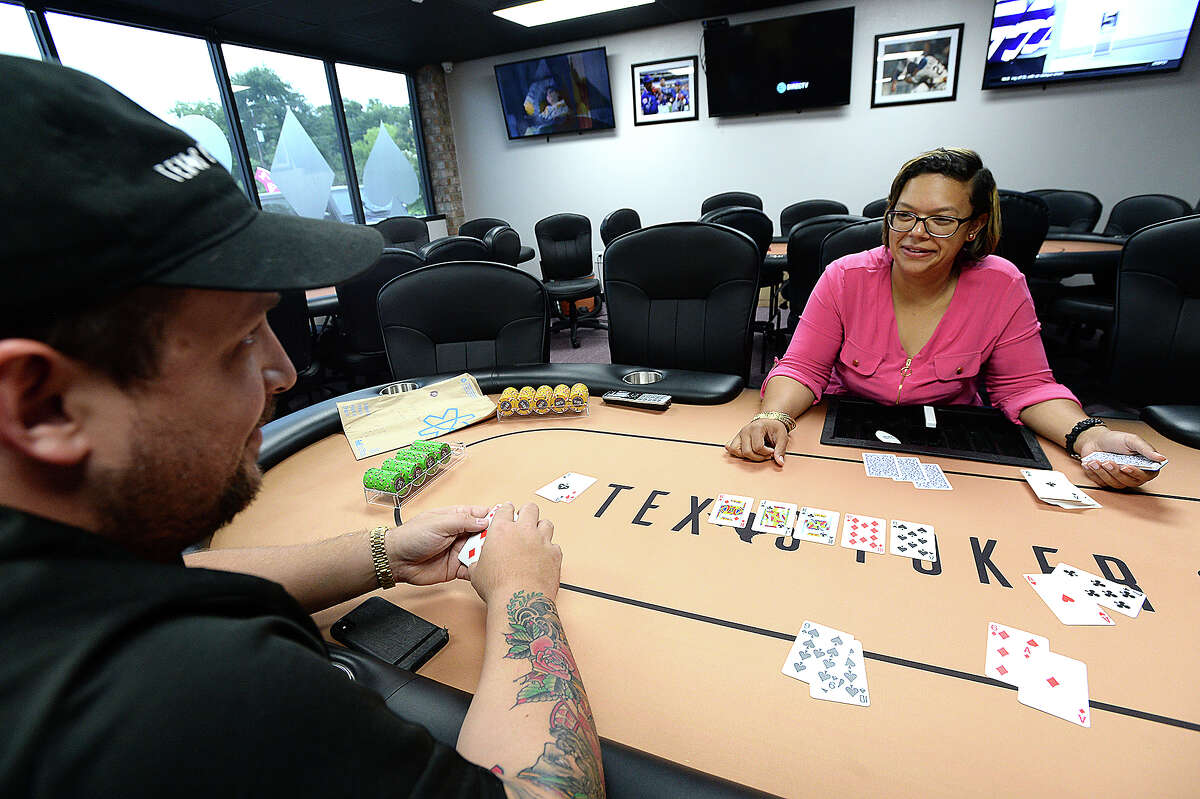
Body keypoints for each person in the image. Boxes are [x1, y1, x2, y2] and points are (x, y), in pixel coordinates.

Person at [0, 56, 604, 798]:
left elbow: (148, 581)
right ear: (40, 403)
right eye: (239, 341)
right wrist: (521, 592)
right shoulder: (198, 695)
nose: (284, 371)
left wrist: (383, 550)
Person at [727, 147, 1165, 490]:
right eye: (904, 215)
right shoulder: (845, 276)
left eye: (941, 220)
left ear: (973, 227)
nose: (916, 233)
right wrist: (775, 418)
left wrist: (1089, 436)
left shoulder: (1002, 284)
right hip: (842, 429)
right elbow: (804, 367)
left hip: (951, 442)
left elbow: (1026, 386)